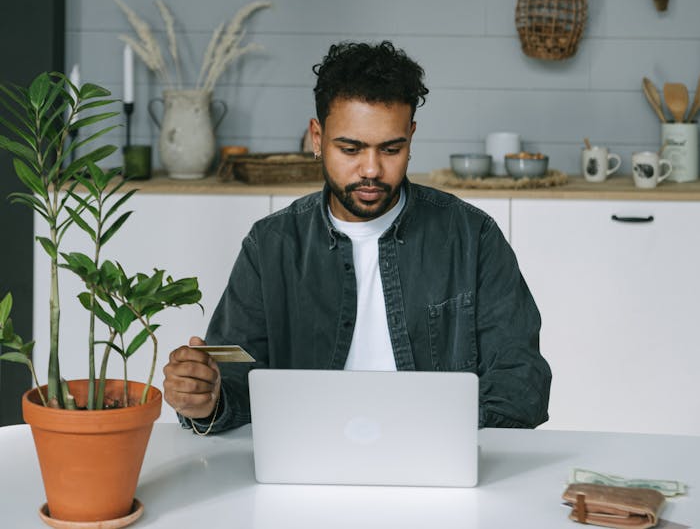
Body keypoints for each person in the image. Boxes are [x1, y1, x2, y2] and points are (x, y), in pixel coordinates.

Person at [164, 41, 551, 433]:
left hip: (437, 468)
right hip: (306, 464)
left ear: (411, 137)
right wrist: (206, 397)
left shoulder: (472, 238)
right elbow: (232, 369)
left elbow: (523, 380)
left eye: (391, 149)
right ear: (317, 138)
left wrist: (436, 434)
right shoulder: (271, 245)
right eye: (351, 148)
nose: (371, 169)